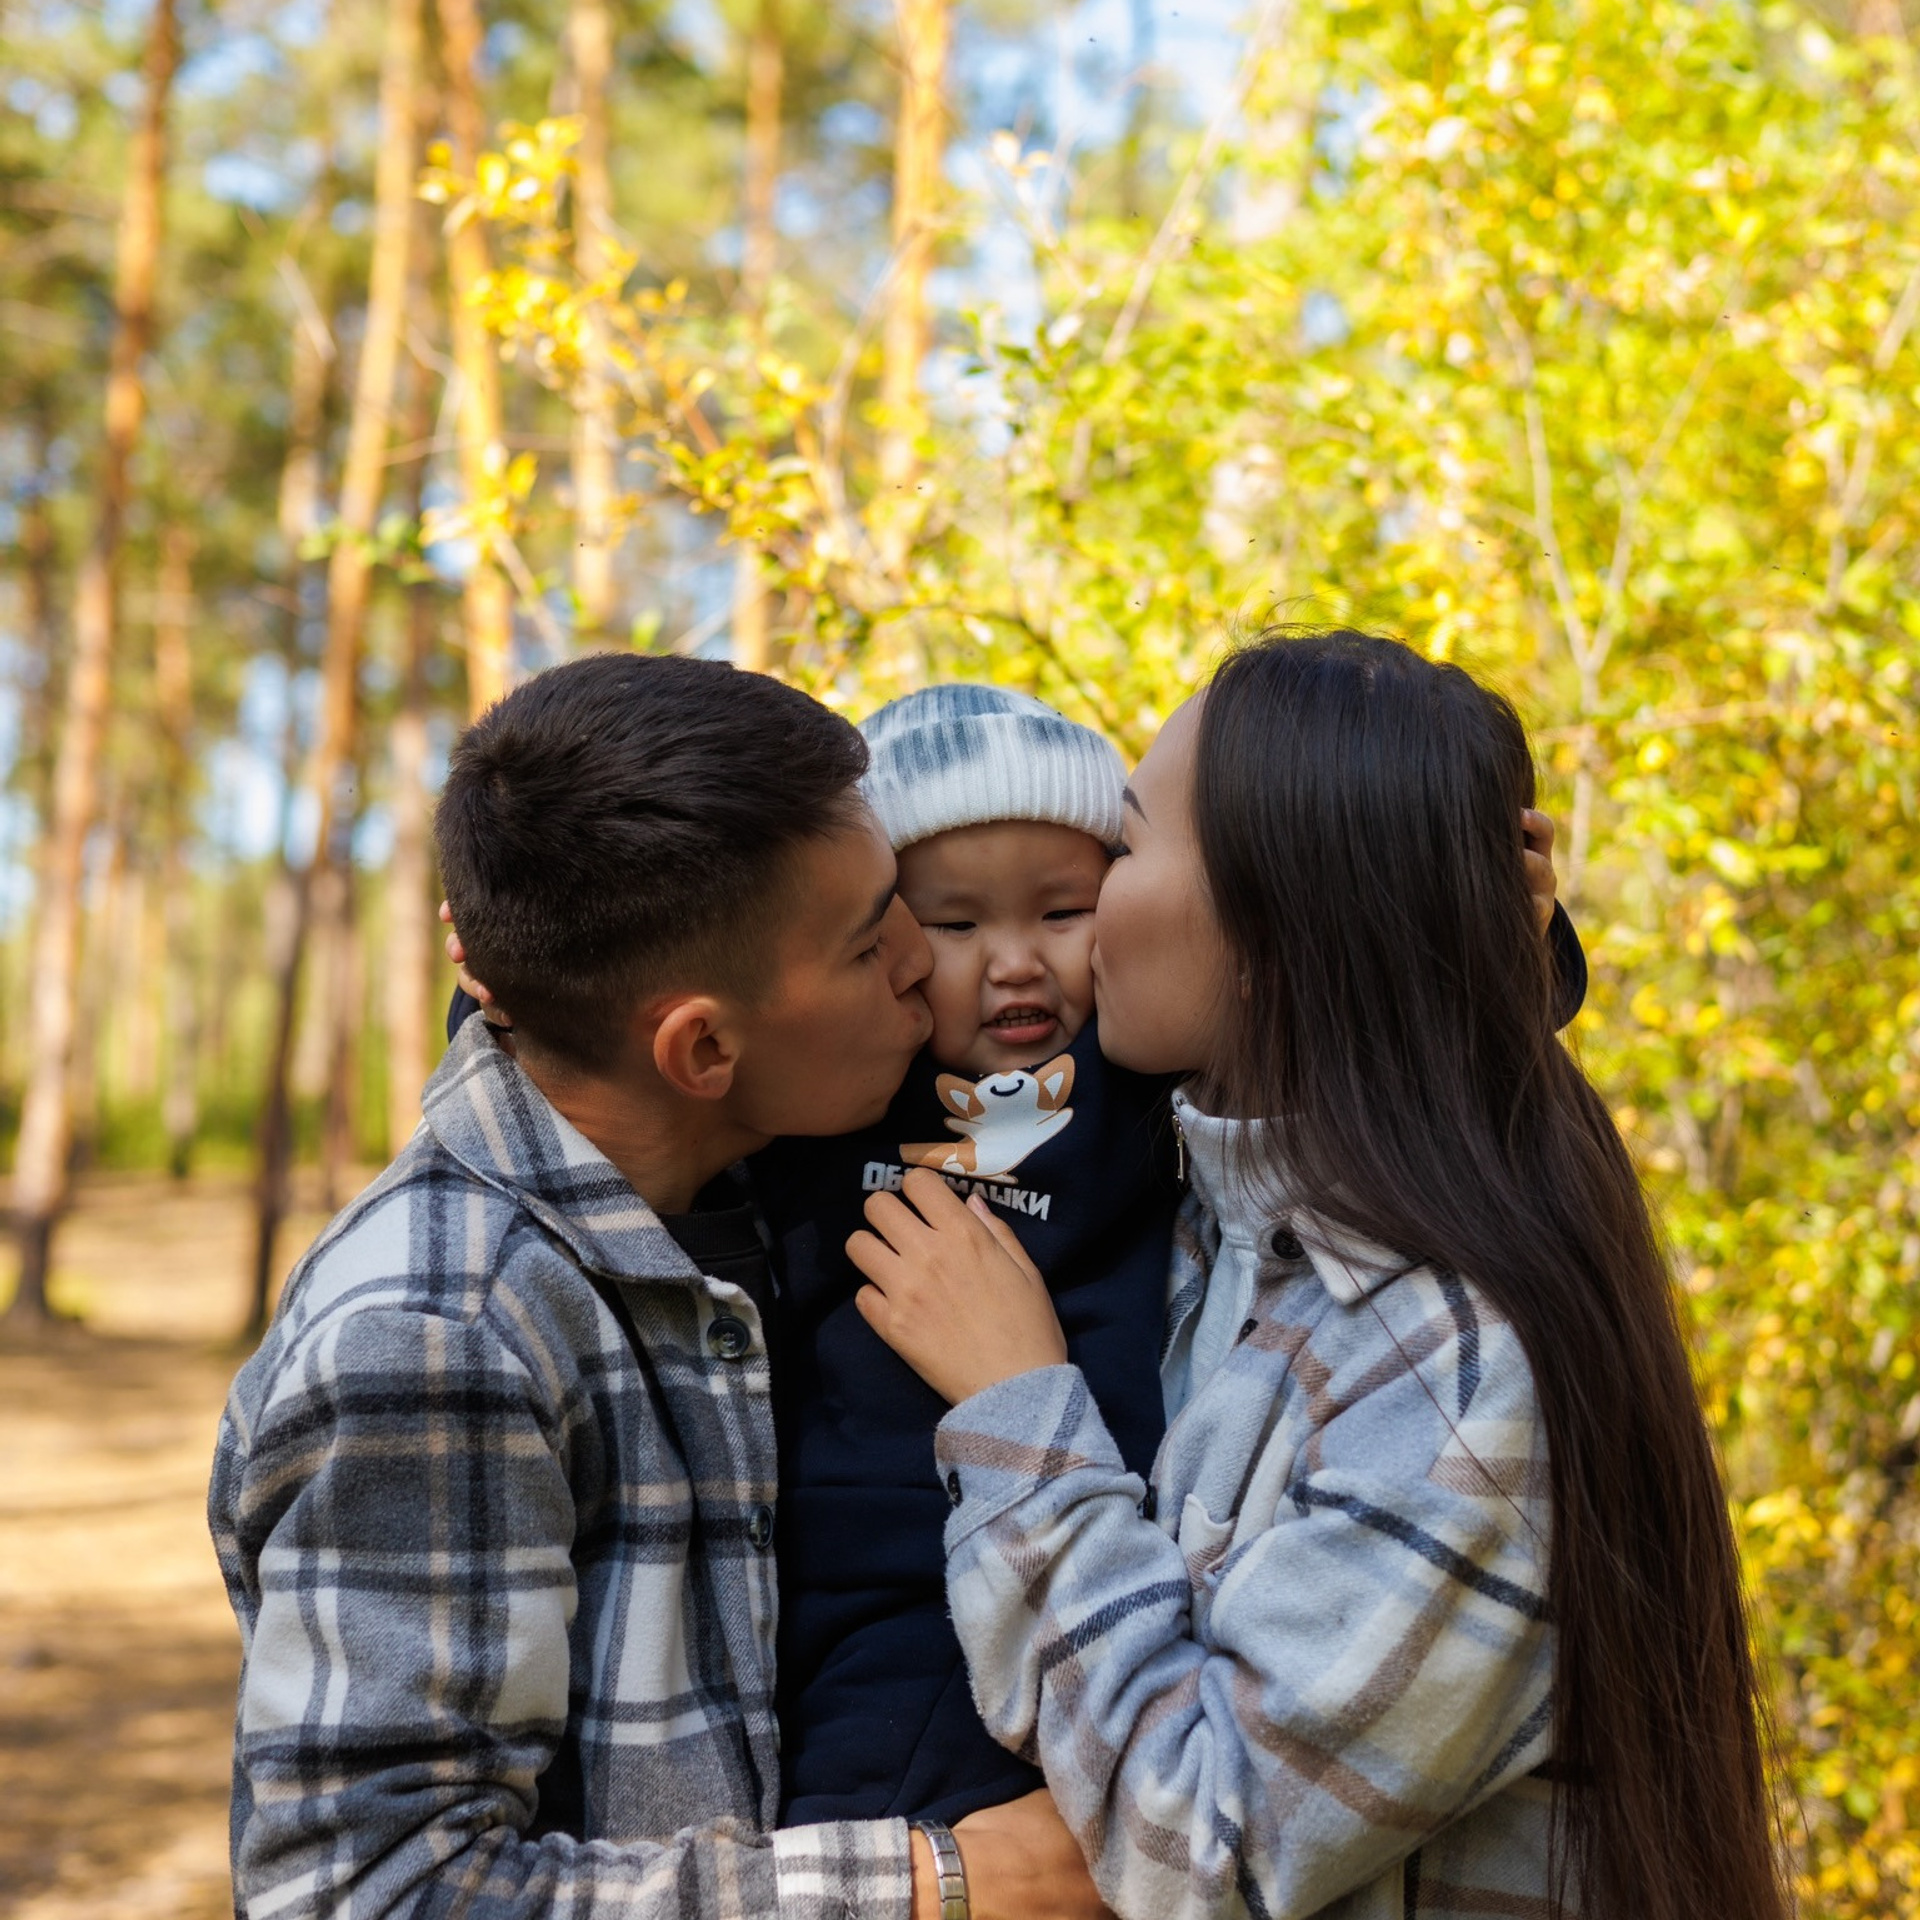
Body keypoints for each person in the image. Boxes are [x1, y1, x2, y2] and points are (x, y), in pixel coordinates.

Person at [847, 631, 1789, 1920]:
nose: (1075, 918)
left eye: (1122, 851)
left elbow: (1205, 1846)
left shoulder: (1457, 1371)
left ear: (1275, 923)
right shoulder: (1190, 1216)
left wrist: (1018, 1406)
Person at [207, 654, 1109, 1920]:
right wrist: (940, 1883)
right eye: (873, 941)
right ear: (702, 1048)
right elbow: (372, 1888)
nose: (926, 958)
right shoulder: (437, 1335)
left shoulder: (740, 1166)